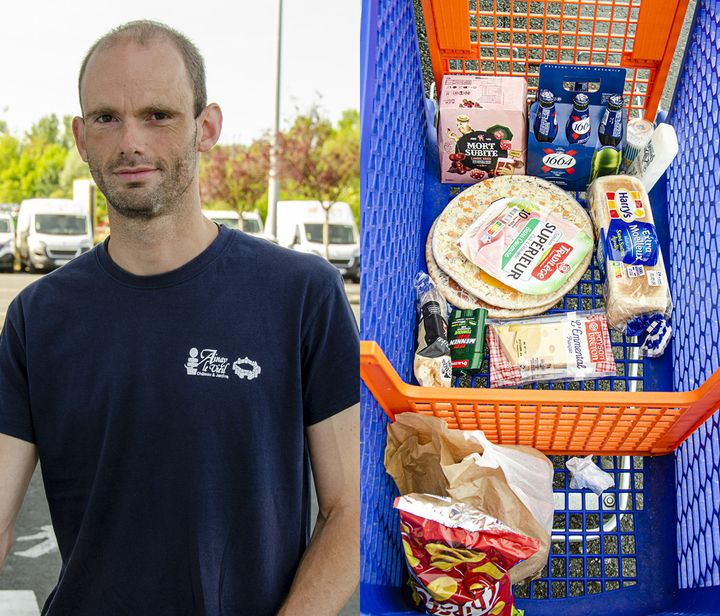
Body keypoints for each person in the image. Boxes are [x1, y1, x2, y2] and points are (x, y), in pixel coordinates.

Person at [0, 20, 359, 616]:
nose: (130, 141)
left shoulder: (301, 294)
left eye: (158, 115)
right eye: (106, 118)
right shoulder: (38, 317)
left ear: (206, 127)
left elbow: (350, 509)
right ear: (80, 136)